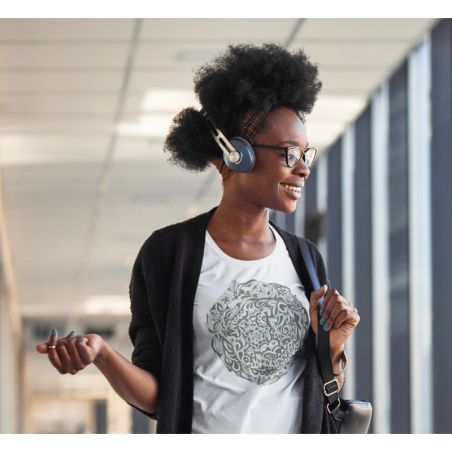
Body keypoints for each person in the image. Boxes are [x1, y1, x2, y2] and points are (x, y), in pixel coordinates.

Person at [36, 43, 360, 434]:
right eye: (290, 154)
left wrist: (334, 345)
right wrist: (102, 354)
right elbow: (159, 397)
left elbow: (321, 389)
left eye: (307, 156)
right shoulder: (168, 254)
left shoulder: (305, 257)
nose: (303, 170)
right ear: (237, 154)